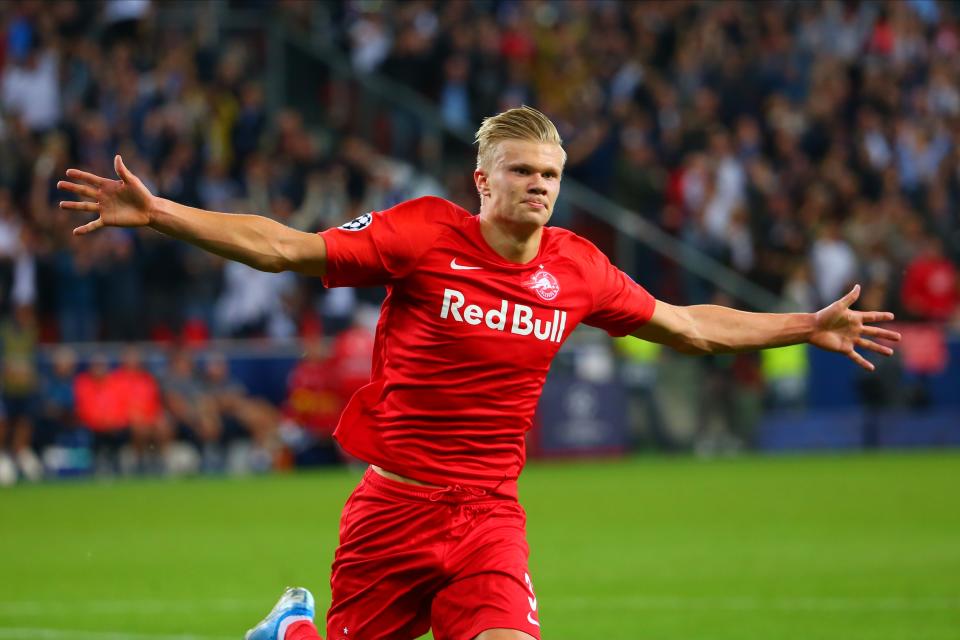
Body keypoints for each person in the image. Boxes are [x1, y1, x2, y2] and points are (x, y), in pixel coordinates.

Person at [58, 106, 900, 640]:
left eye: (552, 176)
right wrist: (161, 213)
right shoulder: (421, 234)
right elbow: (285, 247)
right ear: (483, 180)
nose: (540, 187)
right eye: (524, 171)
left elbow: (691, 329)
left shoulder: (578, 268)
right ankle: (294, 633)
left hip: (490, 512)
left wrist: (804, 325)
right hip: (393, 504)